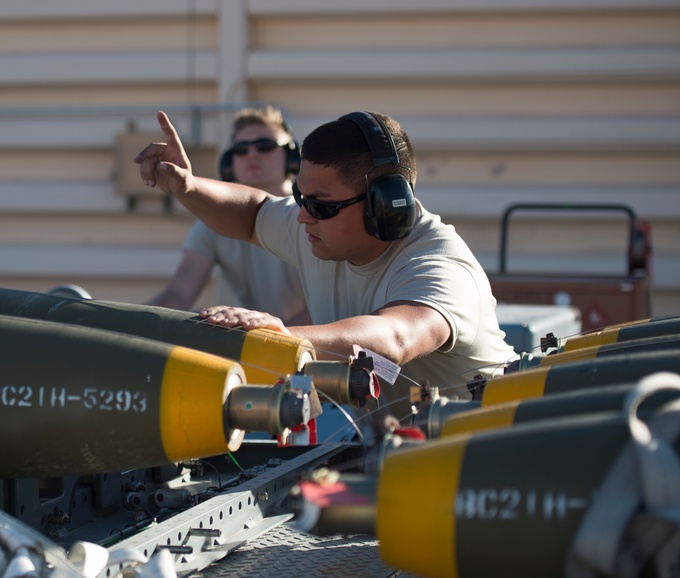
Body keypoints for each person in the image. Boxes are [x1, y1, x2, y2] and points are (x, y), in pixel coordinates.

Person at [135, 109, 517, 417]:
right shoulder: (320, 226)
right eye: (301, 199)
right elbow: (254, 214)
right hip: (398, 451)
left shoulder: (440, 265)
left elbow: (395, 338)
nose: (303, 217)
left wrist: (283, 338)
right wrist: (188, 187)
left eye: (319, 205)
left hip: (485, 460)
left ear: (382, 207)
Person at [148, 106, 310, 326]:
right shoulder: (211, 220)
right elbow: (178, 293)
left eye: (265, 146)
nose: (252, 154)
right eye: (241, 149)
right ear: (229, 162)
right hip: (250, 342)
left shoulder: (312, 213)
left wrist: (279, 334)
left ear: (292, 156)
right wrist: (135, 325)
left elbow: (327, 307)